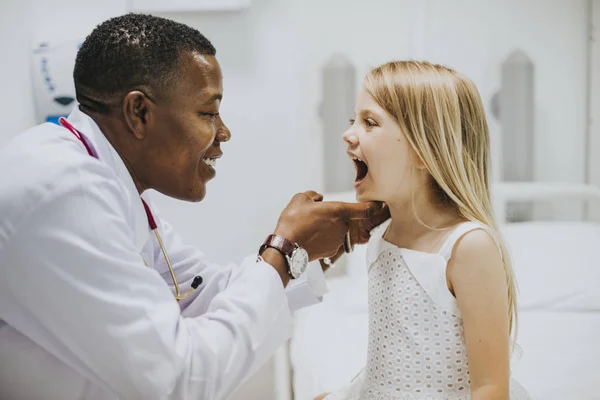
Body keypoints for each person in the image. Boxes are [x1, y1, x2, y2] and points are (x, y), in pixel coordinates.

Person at [0, 13, 389, 400]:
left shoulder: (107, 184)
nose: (224, 133)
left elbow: (202, 294)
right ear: (140, 113)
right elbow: (178, 380)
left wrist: (308, 254)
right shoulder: (65, 194)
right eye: (208, 113)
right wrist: (285, 251)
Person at [315, 61, 532, 400]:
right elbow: (391, 366)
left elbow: (490, 387)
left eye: (369, 122)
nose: (349, 133)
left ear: (422, 150)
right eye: (352, 120)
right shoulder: (382, 236)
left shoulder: (467, 246)